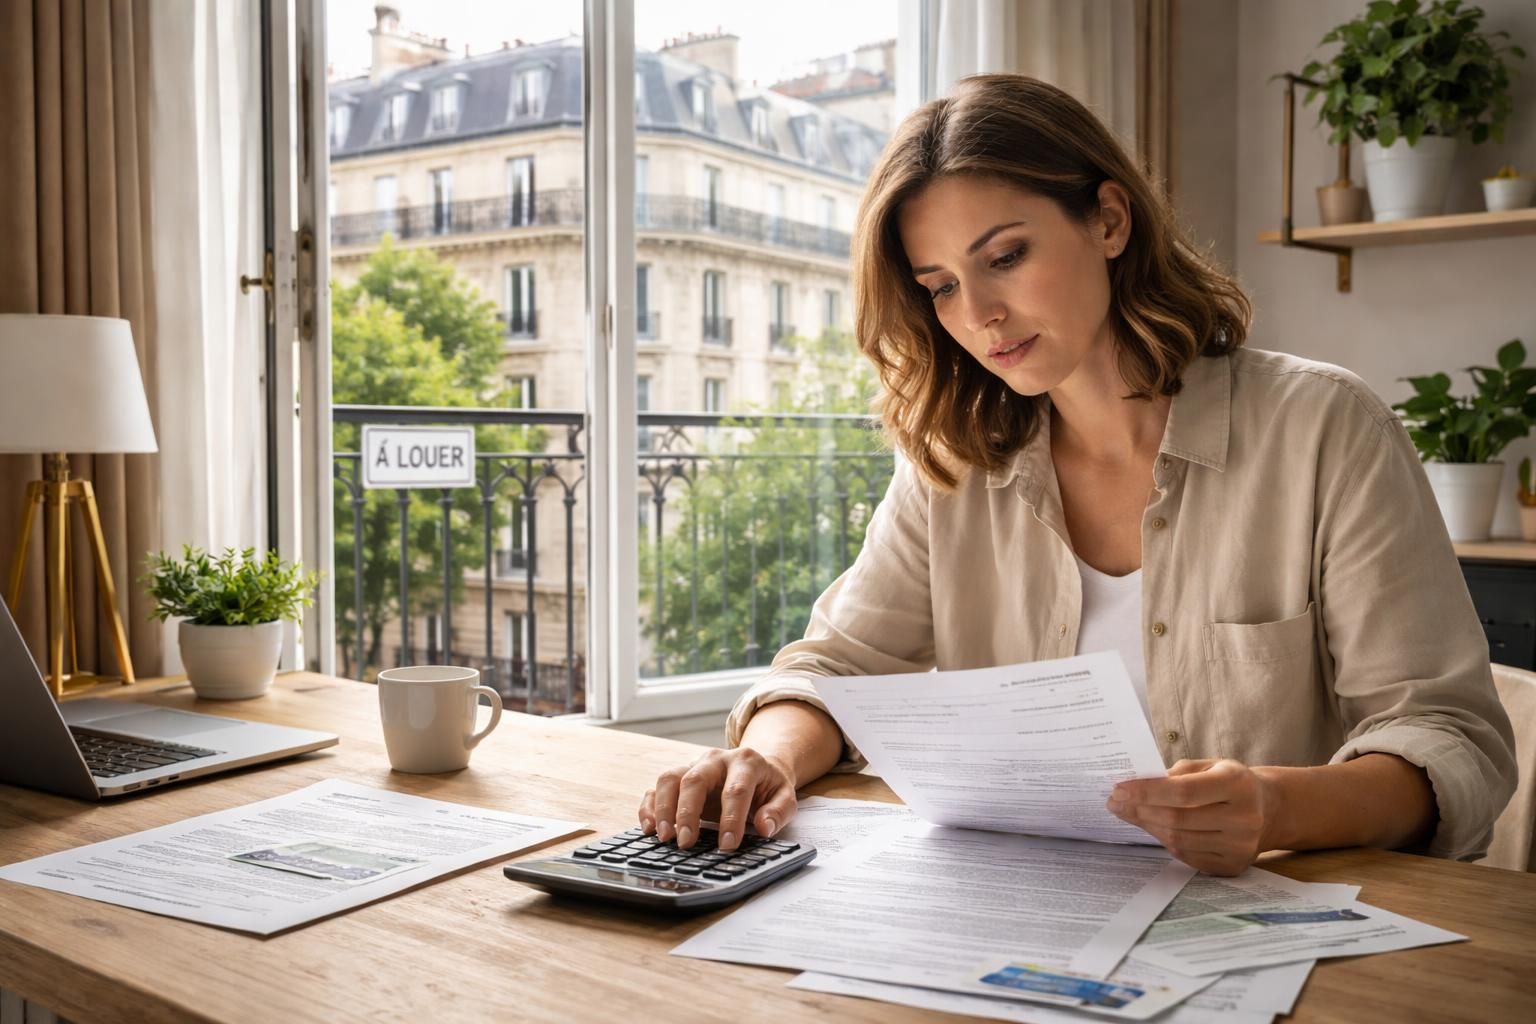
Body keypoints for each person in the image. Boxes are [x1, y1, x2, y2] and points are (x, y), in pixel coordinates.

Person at [636, 74, 1517, 877]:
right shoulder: (956, 464)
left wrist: (1275, 805)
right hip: (1028, 915)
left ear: (1108, 219)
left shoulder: (1324, 429)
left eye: (1006, 257)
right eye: (939, 286)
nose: (978, 315)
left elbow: (1451, 740)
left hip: (1280, 925)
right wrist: (768, 757)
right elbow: (835, 666)